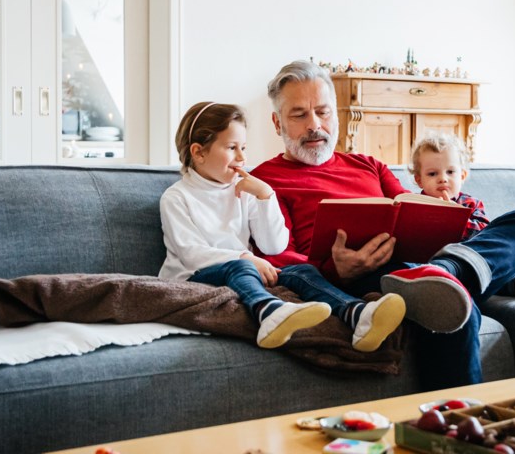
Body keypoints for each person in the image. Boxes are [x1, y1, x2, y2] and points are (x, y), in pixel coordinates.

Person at [251, 60, 515, 386]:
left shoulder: (369, 165)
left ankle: (450, 272)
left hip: (421, 264)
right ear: (277, 123)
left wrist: (441, 216)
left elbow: (411, 210)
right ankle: (453, 423)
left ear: (336, 114)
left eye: (323, 112)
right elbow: (280, 259)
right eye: (299, 115)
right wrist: (337, 270)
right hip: (363, 278)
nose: (314, 125)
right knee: (452, 310)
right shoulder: (263, 182)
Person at [158, 101, 406, 352]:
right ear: (199, 153)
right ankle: (268, 312)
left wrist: (266, 197)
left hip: (245, 270)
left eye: (243, 147)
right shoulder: (177, 198)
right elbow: (191, 254)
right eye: (232, 148)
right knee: (242, 266)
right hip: (194, 277)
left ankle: (357, 313)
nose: (242, 158)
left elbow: (273, 244)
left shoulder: (244, 190)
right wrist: (245, 257)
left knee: (301, 271)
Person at [409, 132, 515, 299]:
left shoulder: (470, 204)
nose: (443, 179)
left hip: (470, 261)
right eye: (432, 174)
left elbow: (484, 235)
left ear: (462, 176)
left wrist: (455, 218)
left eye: (450, 172)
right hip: (426, 263)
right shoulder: (414, 205)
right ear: (419, 180)